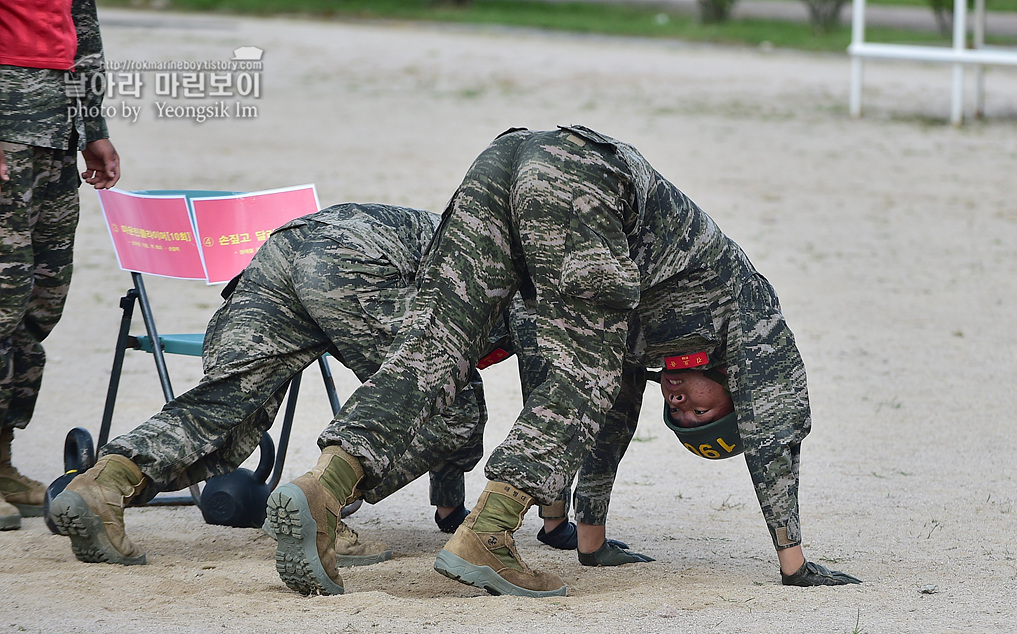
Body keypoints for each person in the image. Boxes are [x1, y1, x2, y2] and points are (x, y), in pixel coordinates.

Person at [264, 125, 861, 597]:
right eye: (705, 413)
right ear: (733, 391)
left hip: (504, 162)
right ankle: (489, 532)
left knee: (435, 345)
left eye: (681, 420)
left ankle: (327, 483)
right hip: (584, 176)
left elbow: (612, 420)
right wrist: (794, 561)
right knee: (582, 377)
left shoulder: (650, 349)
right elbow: (775, 432)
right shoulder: (749, 310)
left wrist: (592, 538)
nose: (683, 408)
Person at [49, 202, 508, 564]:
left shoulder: (475, 244)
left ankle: (104, 484)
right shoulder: (522, 284)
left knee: (226, 407)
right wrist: (556, 520)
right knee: (453, 408)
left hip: (287, 249)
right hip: (355, 261)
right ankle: (322, 506)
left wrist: (449, 511)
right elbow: (542, 389)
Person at [0, 0, 121, 531]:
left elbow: (82, 34)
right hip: (7, 130)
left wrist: (92, 126)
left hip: (56, 136)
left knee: (37, 304)